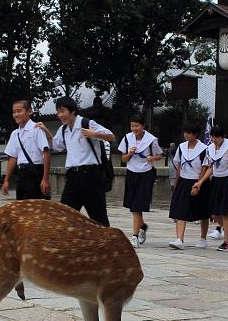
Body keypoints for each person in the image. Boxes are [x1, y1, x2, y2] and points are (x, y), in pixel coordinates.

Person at [41, 96, 115, 226]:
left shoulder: (86, 123)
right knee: (64, 216)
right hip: (73, 177)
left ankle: (107, 244)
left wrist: (95, 134)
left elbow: (111, 136)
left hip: (91, 176)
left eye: (62, 111)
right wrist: (46, 131)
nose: (60, 115)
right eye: (58, 112)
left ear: (73, 111)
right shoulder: (63, 130)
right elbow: (55, 146)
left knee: (99, 218)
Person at [119, 115, 163, 247]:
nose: (134, 128)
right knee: (133, 206)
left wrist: (152, 158)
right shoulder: (127, 138)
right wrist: (130, 153)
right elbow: (123, 159)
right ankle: (142, 226)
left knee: (138, 206)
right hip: (132, 173)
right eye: (132, 126)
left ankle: (134, 236)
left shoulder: (151, 140)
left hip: (146, 174)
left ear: (143, 126)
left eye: (137, 126)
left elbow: (159, 155)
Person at [194, 126, 228, 251]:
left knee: (225, 212)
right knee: (213, 212)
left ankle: (227, 243)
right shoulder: (210, 148)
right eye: (212, 137)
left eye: (217, 137)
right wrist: (201, 181)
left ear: (222, 136)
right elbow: (211, 167)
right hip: (216, 181)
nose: (214, 139)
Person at [168, 123, 208, 249]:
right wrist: (176, 182)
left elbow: (204, 167)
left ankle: (203, 237)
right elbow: (179, 165)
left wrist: (199, 183)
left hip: (198, 181)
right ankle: (180, 239)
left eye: (189, 133)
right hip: (184, 181)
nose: (186, 135)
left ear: (195, 134)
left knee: (202, 211)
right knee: (180, 209)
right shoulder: (181, 147)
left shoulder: (204, 148)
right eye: (185, 132)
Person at [2, 100, 51, 200]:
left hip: (35, 173)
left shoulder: (36, 129)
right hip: (21, 175)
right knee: (22, 210)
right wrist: (6, 180)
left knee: (35, 210)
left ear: (29, 111)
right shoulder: (15, 133)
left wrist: (45, 179)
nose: (16, 114)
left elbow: (46, 152)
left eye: (19, 111)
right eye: (14, 112)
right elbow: (13, 157)